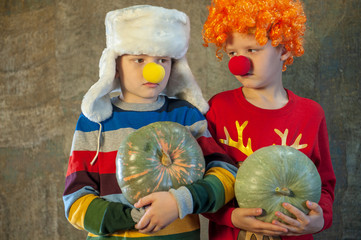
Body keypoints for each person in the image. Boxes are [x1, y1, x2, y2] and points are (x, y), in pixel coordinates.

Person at [63, 5, 237, 240]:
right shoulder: (95, 121)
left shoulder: (186, 116)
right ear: (115, 66)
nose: (153, 70)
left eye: (162, 60)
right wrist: (134, 217)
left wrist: (180, 202)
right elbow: (75, 201)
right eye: (139, 59)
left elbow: (226, 174)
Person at [201, 0, 336, 239]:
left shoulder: (311, 113)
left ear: (283, 50)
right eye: (233, 53)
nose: (239, 63)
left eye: (252, 49)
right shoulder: (218, 108)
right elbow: (202, 182)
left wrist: (320, 219)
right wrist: (229, 216)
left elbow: (324, 183)